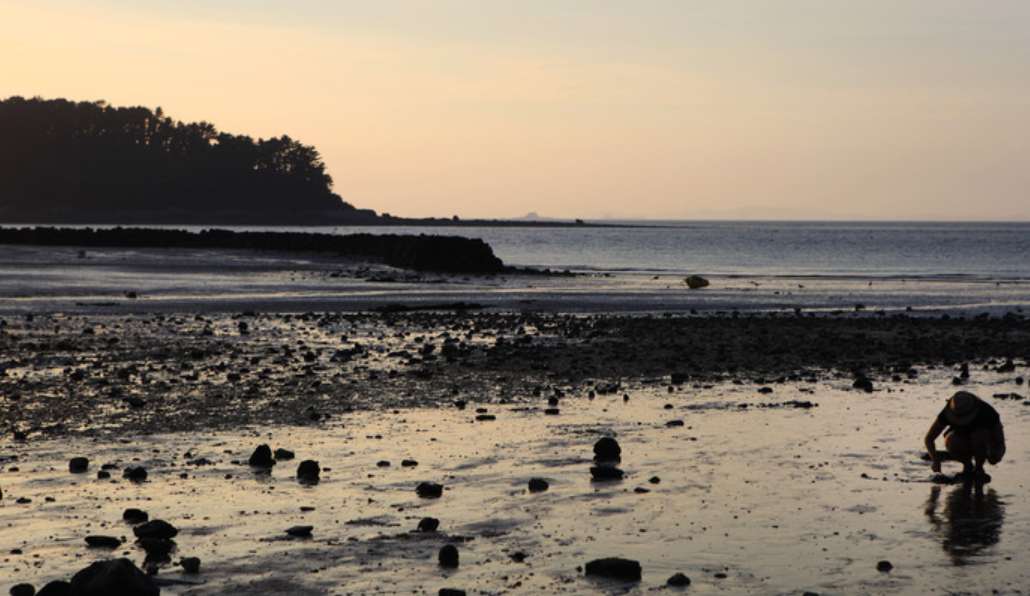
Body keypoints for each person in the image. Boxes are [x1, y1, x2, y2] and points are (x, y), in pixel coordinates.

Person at [924, 391, 1006, 482]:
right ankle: (967, 465)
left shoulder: (987, 412)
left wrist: (996, 456)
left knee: (979, 435)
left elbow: (1000, 442)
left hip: (982, 442)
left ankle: (979, 468)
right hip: (960, 440)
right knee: (952, 440)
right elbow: (929, 438)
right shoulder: (949, 411)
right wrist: (935, 460)